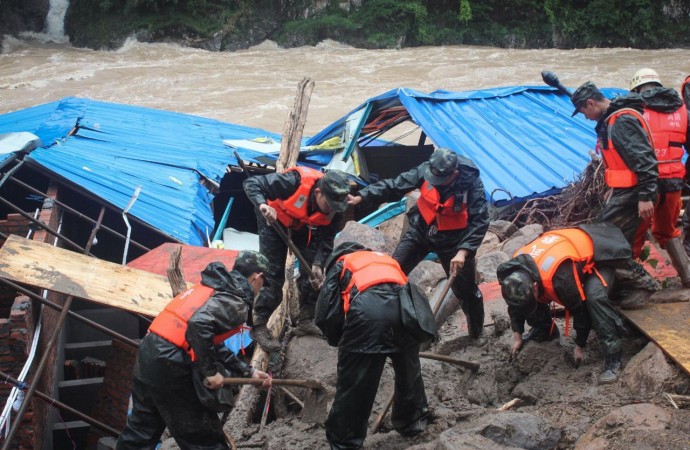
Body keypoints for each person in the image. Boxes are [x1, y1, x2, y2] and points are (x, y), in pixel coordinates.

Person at [116, 253, 272, 450]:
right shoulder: (235, 299)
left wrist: (248, 372)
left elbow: (211, 342)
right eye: (263, 284)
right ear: (256, 277)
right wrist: (210, 372)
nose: (261, 290)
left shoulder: (213, 287)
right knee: (203, 438)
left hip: (150, 351)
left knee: (140, 431)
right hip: (170, 361)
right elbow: (199, 325)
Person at [348, 148, 490, 341]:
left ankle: (476, 334)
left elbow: (480, 220)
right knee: (392, 273)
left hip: (455, 242)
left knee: (466, 292)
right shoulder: (427, 169)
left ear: (454, 174)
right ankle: (380, 326)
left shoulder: (471, 183)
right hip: (421, 230)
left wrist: (463, 252)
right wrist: (364, 196)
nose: (434, 182)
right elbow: (396, 184)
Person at [315, 242, 430, 450]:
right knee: (409, 370)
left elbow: (326, 313)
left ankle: (345, 441)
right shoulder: (387, 260)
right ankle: (413, 422)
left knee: (356, 382)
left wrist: (339, 340)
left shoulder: (342, 263)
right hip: (407, 314)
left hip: (368, 315)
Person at [497, 223, 632, 385]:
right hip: (566, 251)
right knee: (529, 301)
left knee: (594, 298)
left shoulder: (560, 279)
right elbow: (515, 306)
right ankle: (546, 330)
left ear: (534, 286)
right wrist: (517, 336)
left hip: (600, 255)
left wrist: (579, 345)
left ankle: (613, 357)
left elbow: (580, 309)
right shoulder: (514, 274)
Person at [243, 167, 351, 351]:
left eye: (336, 207)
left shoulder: (337, 208)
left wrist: (318, 263)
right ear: (318, 193)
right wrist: (263, 205)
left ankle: (306, 319)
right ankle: (259, 325)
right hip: (273, 219)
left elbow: (326, 239)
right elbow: (252, 183)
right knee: (273, 275)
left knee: (313, 274)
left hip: (302, 224)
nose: (332, 210)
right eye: (329, 204)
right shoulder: (292, 182)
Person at [571, 81, 660, 293]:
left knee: (606, 239)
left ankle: (645, 285)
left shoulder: (621, 122)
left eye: (584, 111)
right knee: (616, 241)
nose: (585, 117)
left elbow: (645, 160)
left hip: (635, 193)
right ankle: (623, 287)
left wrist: (646, 196)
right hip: (625, 192)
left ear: (591, 103)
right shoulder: (612, 119)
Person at [629, 68, 690, 287]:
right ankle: (687, 276)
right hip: (674, 182)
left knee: (634, 233)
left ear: (636, 88)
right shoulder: (682, 109)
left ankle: (632, 282)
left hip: (645, 183)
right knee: (667, 231)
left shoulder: (633, 109)